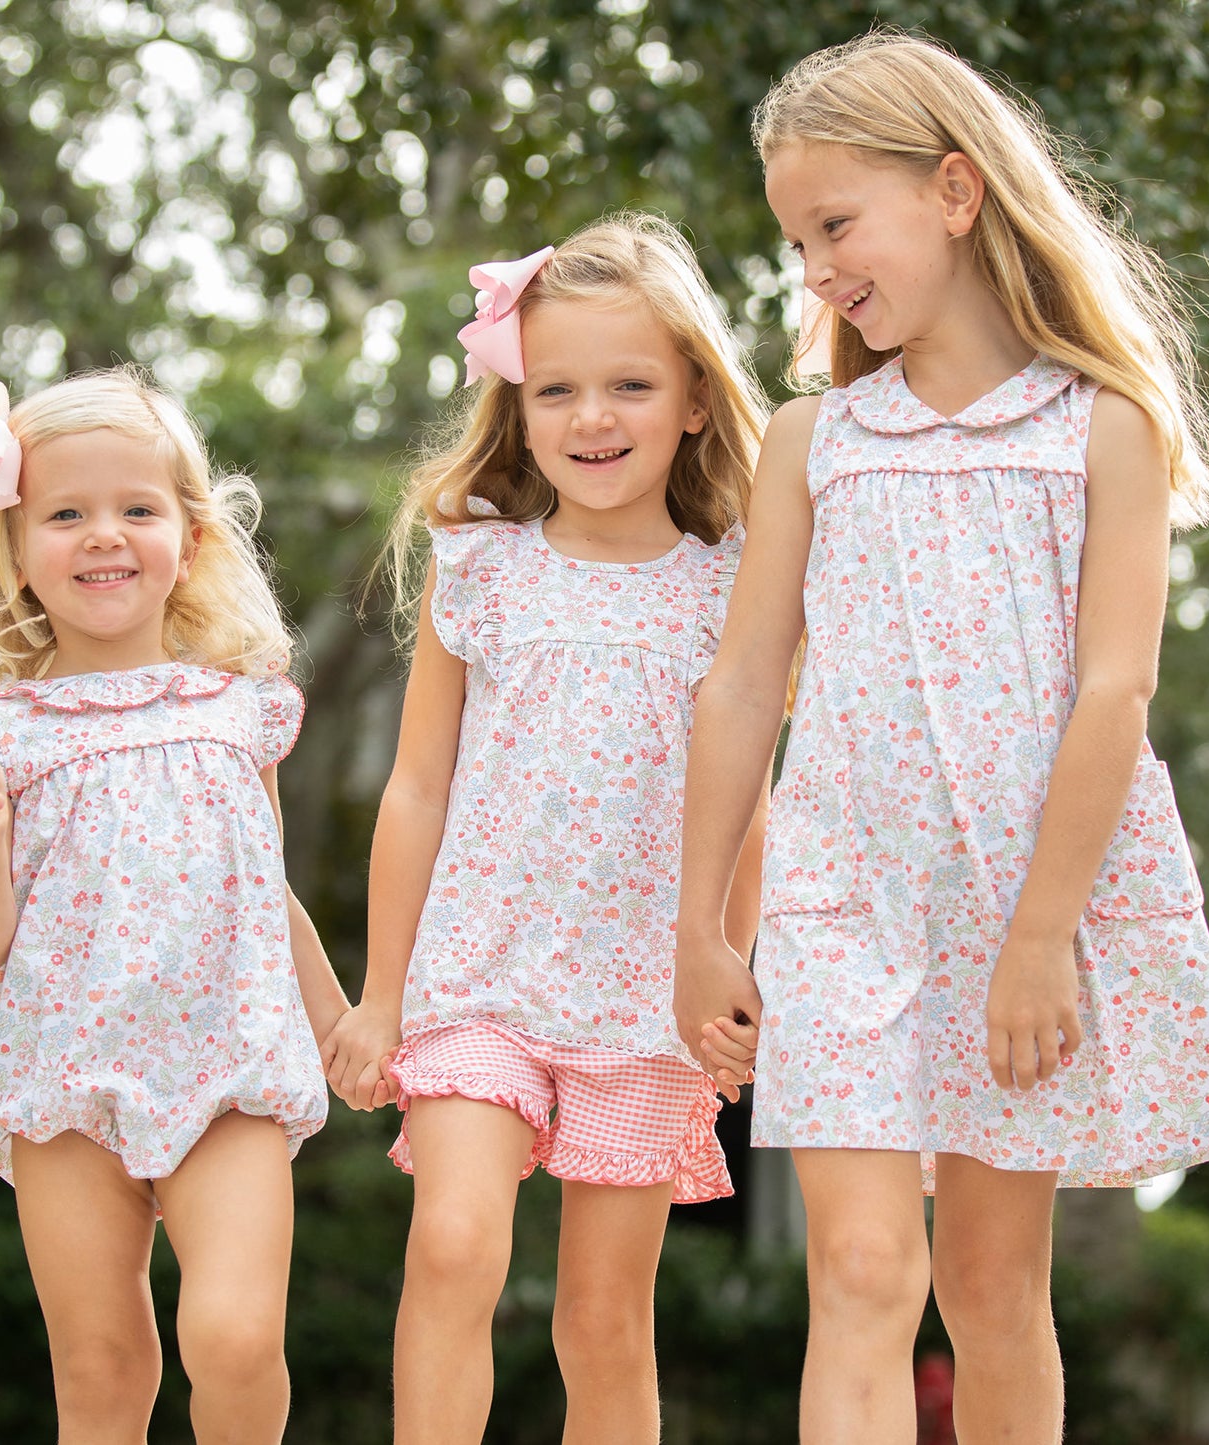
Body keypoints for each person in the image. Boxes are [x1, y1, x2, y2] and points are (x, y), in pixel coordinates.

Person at [673, 32, 1209, 1445]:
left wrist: (1039, 934)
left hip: (1022, 904)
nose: (813, 268)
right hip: (843, 902)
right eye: (795, 240)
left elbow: (1113, 695)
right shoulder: (812, 441)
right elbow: (744, 685)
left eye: (832, 226)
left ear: (954, 190)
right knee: (865, 1272)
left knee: (994, 1287)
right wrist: (702, 918)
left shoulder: (1102, 426)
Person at [326, 213, 769, 1445]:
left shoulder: (728, 589)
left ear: (690, 398)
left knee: (601, 1317)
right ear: (518, 409)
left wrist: (734, 973)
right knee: (455, 1244)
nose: (591, 416)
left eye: (629, 383)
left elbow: (748, 809)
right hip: (477, 982)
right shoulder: (481, 567)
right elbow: (415, 789)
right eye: (557, 388)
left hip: (644, 1001)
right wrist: (379, 995)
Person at [0, 367, 351, 1445]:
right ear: (15, 551)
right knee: (100, 1368)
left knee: (238, 1337)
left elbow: (265, 880)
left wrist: (340, 1023)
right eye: (65, 512)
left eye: (136, 508)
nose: (103, 534)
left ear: (188, 539)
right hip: (63, 1072)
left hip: (228, 1062)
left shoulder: (237, 706)